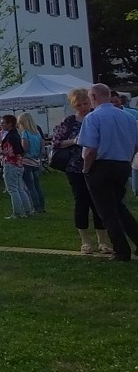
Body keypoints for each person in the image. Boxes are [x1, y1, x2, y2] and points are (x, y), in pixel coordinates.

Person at [77, 83, 138, 261]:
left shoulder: (93, 117)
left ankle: (121, 250)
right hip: (122, 163)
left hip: (101, 165)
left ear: (94, 97)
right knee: (119, 206)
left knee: (107, 211)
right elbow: (135, 144)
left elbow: (90, 149)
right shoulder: (127, 117)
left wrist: (86, 169)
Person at [53, 88, 110, 254]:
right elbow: (57, 142)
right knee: (81, 202)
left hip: (97, 164)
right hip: (75, 167)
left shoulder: (96, 117)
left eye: (85, 103)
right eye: (79, 104)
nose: (83, 107)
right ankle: (85, 242)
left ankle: (103, 241)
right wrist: (74, 140)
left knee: (98, 203)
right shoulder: (69, 122)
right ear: (73, 105)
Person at [0, 114, 33, 219]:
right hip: (18, 164)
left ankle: (17, 213)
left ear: (10, 124)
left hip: (11, 164)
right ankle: (27, 210)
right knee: (20, 188)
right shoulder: (16, 135)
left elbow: (11, 152)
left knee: (13, 190)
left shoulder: (10, 137)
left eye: (3, 123)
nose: (1, 125)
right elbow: (19, 150)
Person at [17, 112, 46, 214]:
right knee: (37, 186)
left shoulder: (25, 133)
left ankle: (36, 207)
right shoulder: (37, 132)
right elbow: (42, 147)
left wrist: (19, 152)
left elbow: (25, 147)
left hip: (27, 161)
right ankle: (42, 206)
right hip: (36, 161)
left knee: (30, 186)